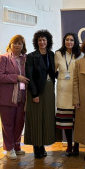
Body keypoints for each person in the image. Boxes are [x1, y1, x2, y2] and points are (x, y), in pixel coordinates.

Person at [0, 35, 29, 160]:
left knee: (19, 123)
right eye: (14, 43)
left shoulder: (26, 58)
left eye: (20, 43)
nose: (17, 45)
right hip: (7, 97)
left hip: (22, 96)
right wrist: (17, 77)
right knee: (8, 124)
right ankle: (9, 149)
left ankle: (16, 146)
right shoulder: (4, 58)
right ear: (10, 44)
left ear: (23, 46)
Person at [25, 30, 56, 159]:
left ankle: (42, 145)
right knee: (36, 118)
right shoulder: (32, 56)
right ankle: (36, 147)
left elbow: (54, 72)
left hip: (49, 89)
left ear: (48, 41)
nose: (42, 42)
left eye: (44, 40)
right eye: (39, 40)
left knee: (46, 117)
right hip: (36, 91)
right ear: (36, 42)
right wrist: (34, 94)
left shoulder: (51, 54)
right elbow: (29, 76)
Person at [55, 33, 83, 156]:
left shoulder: (80, 55)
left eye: (71, 40)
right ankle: (69, 144)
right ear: (64, 41)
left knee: (76, 121)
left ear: (75, 41)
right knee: (66, 121)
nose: (69, 42)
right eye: (67, 40)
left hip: (76, 90)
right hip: (63, 91)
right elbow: (53, 70)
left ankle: (76, 144)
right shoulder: (58, 54)